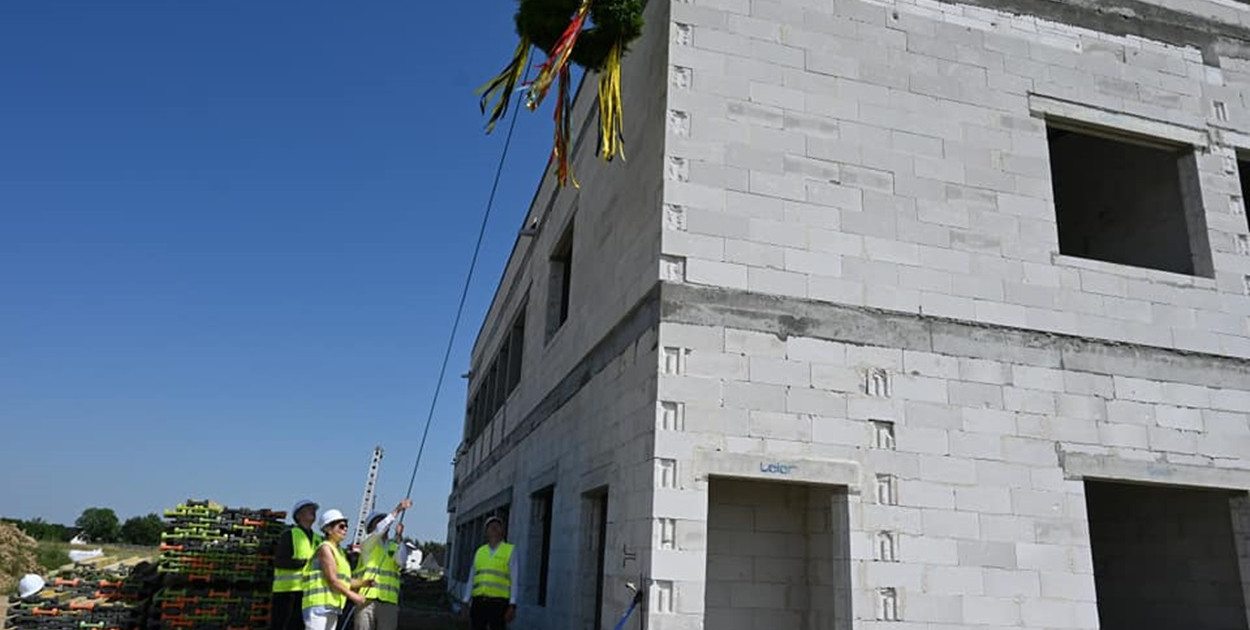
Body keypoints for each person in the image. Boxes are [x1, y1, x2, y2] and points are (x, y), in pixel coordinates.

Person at [302, 509, 372, 630]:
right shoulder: (325, 548)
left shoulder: (339, 552)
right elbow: (332, 580)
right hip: (318, 604)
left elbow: (345, 580)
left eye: (346, 526)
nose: (345, 529)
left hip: (331, 606)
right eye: (341, 526)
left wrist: (366, 583)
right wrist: (353, 596)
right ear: (328, 529)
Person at [352, 498, 414, 630]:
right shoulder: (368, 544)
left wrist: (399, 538)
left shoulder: (393, 545)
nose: (383, 524)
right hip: (366, 599)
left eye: (383, 520)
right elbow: (379, 530)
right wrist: (397, 510)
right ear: (370, 528)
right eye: (378, 522)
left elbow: (402, 562)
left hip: (388, 602)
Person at [272, 499, 322, 630]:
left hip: (308, 592)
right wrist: (301, 563)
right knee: (283, 625)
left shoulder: (318, 539)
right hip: (287, 592)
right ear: (298, 515)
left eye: (313, 510)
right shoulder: (289, 535)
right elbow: (279, 561)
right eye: (308, 509)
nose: (312, 512)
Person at [462, 516, 518, 630]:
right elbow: (472, 578)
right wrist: (465, 600)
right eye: (490, 526)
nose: (494, 528)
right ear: (486, 531)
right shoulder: (480, 552)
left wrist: (512, 604)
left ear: (502, 531)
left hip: (498, 604)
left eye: (497, 526)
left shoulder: (509, 550)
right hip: (479, 602)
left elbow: (514, 579)